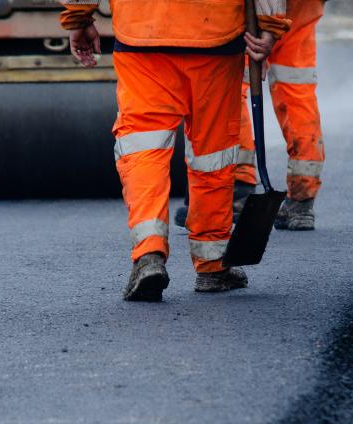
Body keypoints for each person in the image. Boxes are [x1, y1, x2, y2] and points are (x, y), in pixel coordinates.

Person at [59, 0, 290, 302]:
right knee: (213, 153)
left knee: (143, 146)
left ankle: (149, 254)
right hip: (215, 35)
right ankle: (213, 265)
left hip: (143, 33)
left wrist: (79, 16)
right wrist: (270, 25)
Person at [174, 0, 325, 231]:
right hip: (302, 5)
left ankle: (238, 185)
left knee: (233, 81)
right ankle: (301, 201)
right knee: (296, 86)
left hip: (252, 7)